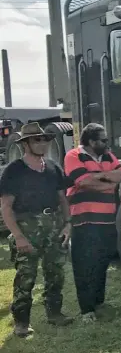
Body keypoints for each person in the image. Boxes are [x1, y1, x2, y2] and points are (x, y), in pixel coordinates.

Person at [0, 123, 74, 337]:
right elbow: (5, 207)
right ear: (25, 144)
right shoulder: (14, 171)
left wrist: (68, 223)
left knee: (55, 273)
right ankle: (21, 322)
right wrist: (18, 236)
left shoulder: (52, 167)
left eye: (44, 139)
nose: (42, 143)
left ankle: (55, 313)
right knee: (26, 276)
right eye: (36, 140)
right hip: (26, 227)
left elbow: (63, 198)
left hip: (53, 226)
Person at [64, 123, 121, 323]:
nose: (107, 143)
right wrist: (108, 181)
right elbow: (82, 182)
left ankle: (98, 301)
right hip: (84, 221)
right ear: (91, 142)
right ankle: (86, 309)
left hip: (107, 220)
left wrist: (100, 177)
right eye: (103, 140)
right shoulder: (74, 156)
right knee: (84, 264)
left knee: (103, 260)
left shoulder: (108, 156)